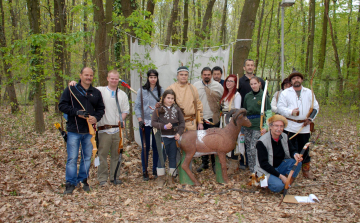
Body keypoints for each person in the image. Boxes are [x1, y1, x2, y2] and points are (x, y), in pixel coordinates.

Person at [68, 70, 130, 187]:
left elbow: (125, 110)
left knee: (116, 155)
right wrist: (73, 84)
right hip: (103, 129)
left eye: (116, 79)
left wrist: (121, 119)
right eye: (112, 78)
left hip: (117, 130)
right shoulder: (99, 91)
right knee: (102, 154)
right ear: (107, 78)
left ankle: (114, 177)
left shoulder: (122, 94)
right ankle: (102, 179)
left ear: (118, 80)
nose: (114, 81)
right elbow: (84, 89)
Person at [59, 67, 105, 194]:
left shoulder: (95, 92)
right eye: (86, 75)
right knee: (72, 158)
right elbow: (62, 105)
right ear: (80, 75)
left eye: (90, 75)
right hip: (74, 129)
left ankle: (83, 180)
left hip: (89, 132)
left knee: (86, 158)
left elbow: (101, 109)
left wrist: (95, 118)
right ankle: (70, 183)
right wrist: (76, 112)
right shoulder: (71, 89)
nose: (88, 77)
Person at [277, 69, 319, 179]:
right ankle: (291, 169)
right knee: (289, 148)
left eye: (298, 78)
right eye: (294, 78)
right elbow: (280, 108)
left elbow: (315, 107)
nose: (296, 80)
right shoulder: (285, 93)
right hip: (290, 125)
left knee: (304, 148)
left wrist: (310, 119)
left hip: (304, 126)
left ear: (301, 80)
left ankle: (305, 171)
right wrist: (291, 112)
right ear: (291, 81)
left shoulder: (309, 92)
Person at [254, 115, 303, 193]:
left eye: (281, 126)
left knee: (298, 162)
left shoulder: (284, 136)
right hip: (265, 171)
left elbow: (292, 149)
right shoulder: (262, 142)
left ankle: (287, 183)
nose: (279, 129)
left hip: (280, 166)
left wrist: (295, 154)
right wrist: (281, 176)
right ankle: (267, 183)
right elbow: (264, 164)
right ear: (270, 127)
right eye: (276, 126)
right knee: (278, 186)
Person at [151, 89, 185, 187]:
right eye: (168, 98)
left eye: (172, 98)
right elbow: (153, 122)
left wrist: (179, 133)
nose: (170, 100)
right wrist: (164, 126)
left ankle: (171, 178)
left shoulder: (177, 109)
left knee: (172, 157)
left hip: (173, 138)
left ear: (174, 100)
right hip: (162, 138)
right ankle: (161, 178)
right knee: (161, 158)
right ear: (164, 98)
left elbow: (182, 123)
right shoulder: (158, 110)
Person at [135, 69, 164, 181]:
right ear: (148, 78)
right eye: (151, 77)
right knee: (145, 147)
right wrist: (140, 119)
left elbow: (165, 107)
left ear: (157, 78)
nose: (153, 79)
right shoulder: (141, 90)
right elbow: (137, 106)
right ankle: (144, 170)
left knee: (156, 146)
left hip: (156, 122)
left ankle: (156, 169)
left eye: (155, 77)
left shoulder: (161, 91)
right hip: (145, 122)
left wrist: (160, 106)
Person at [193, 67, 224, 173]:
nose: (206, 76)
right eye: (204, 74)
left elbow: (222, 101)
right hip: (201, 118)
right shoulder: (196, 86)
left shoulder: (218, 86)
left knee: (214, 142)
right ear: (201, 75)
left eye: (208, 74)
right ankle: (204, 163)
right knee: (202, 142)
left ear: (211, 75)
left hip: (213, 118)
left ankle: (215, 164)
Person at [243, 77, 272, 172]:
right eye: (251, 84)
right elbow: (245, 110)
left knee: (253, 148)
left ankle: (258, 169)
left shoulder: (264, 96)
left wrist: (266, 126)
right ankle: (252, 170)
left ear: (259, 84)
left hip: (258, 126)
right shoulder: (247, 96)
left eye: (255, 83)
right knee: (248, 148)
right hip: (248, 125)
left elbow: (268, 112)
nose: (253, 86)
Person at [166, 66, 203, 131]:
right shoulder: (171, 88)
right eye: (181, 74)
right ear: (177, 76)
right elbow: (164, 105)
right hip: (176, 124)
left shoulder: (193, 88)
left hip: (191, 124)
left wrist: (200, 122)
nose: (184, 76)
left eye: (186, 75)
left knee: (191, 141)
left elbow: (198, 106)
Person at [219, 74, 242, 173]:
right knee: (225, 142)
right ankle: (227, 163)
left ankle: (234, 165)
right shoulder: (225, 94)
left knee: (232, 142)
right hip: (223, 120)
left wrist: (233, 125)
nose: (228, 83)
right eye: (227, 81)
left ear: (235, 83)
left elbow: (236, 111)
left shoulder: (237, 95)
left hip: (231, 121)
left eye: (231, 81)